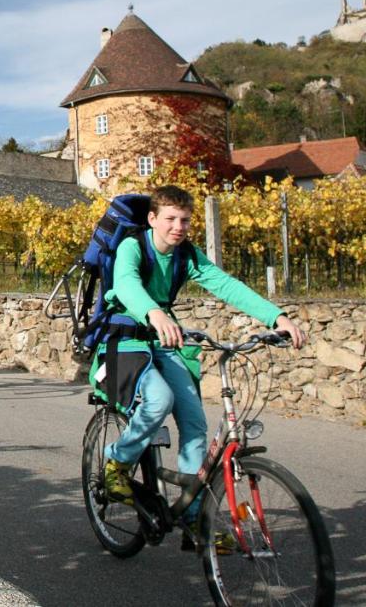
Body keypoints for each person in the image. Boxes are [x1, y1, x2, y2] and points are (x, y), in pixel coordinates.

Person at [97, 185, 307, 551]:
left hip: (163, 339)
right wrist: (154, 312)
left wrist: (278, 318)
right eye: (171, 219)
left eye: (185, 220)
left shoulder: (186, 255)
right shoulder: (134, 245)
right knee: (158, 399)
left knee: (194, 420)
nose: (178, 227)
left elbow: (226, 285)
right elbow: (126, 284)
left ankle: (194, 517)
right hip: (125, 338)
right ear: (152, 219)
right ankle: (117, 460)